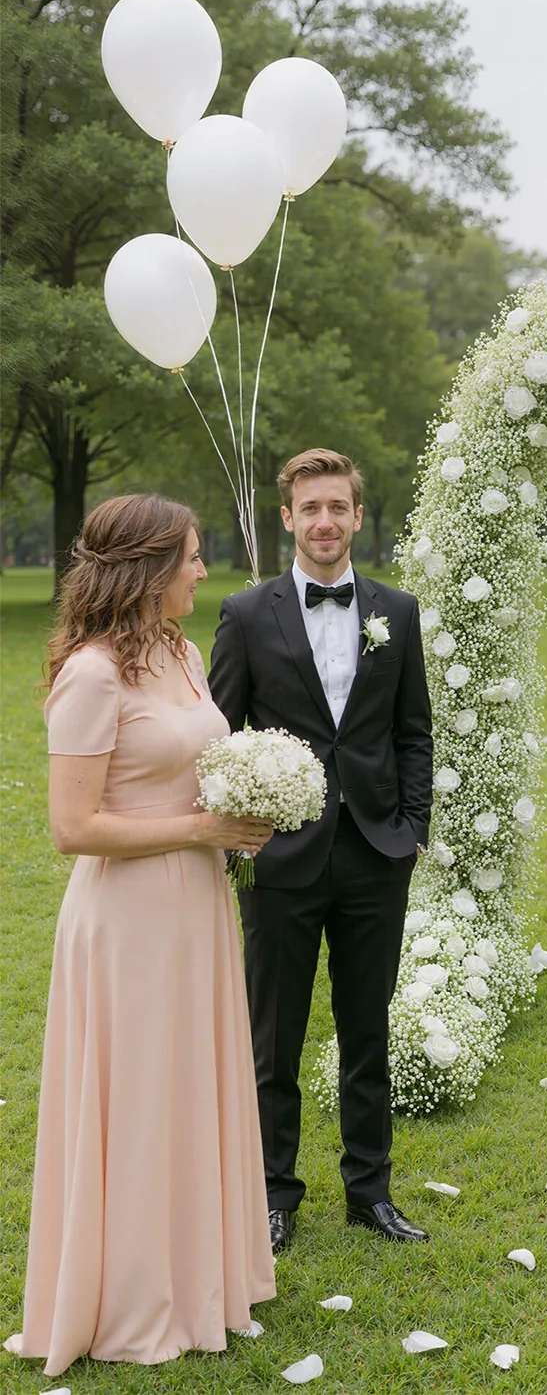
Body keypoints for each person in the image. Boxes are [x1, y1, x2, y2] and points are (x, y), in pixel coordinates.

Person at [16, 494, 274, 1376]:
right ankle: (130, 1299)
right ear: (148, 569)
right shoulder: (91, 676)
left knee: (190, 1083)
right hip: (127, 918)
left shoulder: (184, 652)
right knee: (138, 1098)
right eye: (192, 557)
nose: (203, 570)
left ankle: (199, 1277)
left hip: (196, 904)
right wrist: (203, 828)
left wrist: (250, 797)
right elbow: (73, 828)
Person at [209, 448, 433, 1251]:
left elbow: (413, 730)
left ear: (358, 515)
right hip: (280, 861)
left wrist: (411, 829)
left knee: (367, 1030)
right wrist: (241, 836)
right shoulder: (245, 614)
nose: (326, 521)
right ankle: (274, 1196)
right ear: (288, 518)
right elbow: (218, 737)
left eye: (338, 507)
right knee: (274, 1039)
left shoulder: (396, 611)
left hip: (376, 852)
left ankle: (369, 1192)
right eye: (311, 509)